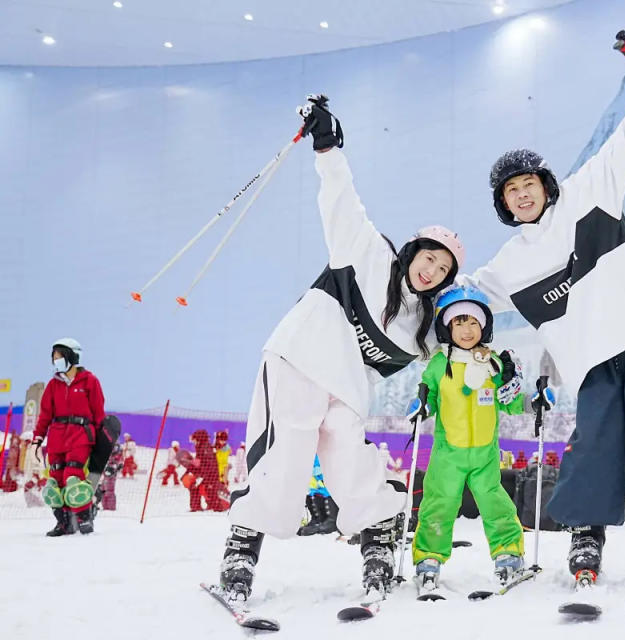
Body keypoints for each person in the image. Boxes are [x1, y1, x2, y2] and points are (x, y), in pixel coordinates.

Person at [462, 47, 625, 586]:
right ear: (503, 206)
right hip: (594, 364)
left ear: (545, 183)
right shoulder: (507, 267)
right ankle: (586, 532)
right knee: (595, 444)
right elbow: (461, 301)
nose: (522, 193)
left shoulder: (587, 195)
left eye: (528, 182)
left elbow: (624, 145)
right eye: (510, 190)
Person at [216, 94, 466, 603]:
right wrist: (327, 143)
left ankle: (377, 545)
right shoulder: (368, 253)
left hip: (347, 391)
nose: (431, 271)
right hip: (298, 360)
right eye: (429, 259)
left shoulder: (423, 325)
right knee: (284, 466)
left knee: (354, 466)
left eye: (442, 271)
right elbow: (341, 197)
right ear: (414, 251)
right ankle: (242, 550)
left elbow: (469, 329)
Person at [406, 285, 554, 590]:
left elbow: (509, 400)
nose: (467, 329)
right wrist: (421, 405)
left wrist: (532, 401)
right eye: (459, 322)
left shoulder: (494, 363)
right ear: (447, 327)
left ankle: (508, 555)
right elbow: (430, 396)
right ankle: (429, 559)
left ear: (484, 325)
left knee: (495, 502)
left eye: (473, 322)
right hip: (448, 452)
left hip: (485, 452)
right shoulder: (438, 364)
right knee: (439, 503)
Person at [31, 338, 105, 535]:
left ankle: (83, 518)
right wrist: (37, 439)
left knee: (73, 477)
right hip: (57, 437)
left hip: (80, 435)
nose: (56, 361)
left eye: (59, 356)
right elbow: (45, 414)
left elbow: (98, 413)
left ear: (72, 356)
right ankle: (63, 523)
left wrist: (101, 441)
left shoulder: (90, 381)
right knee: (54, 481)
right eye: (54, 357)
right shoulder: (53, 385)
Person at [298, 455, 339, 536]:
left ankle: (331, 519)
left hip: (322, 461)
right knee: (313, 488)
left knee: (326, 488)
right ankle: (319, 519)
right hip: (312, 462)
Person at [188, 430, 228, 512]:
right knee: (197, 487)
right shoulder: (201, 447)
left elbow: (208, 464)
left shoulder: (205, 448)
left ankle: (216, 506)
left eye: (194, 439)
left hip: (209, 475)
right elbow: (199, 462)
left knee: (208, 489)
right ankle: (198, 506)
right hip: (206, 474)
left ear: (198, 438)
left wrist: (201, 475)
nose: (193, 441)